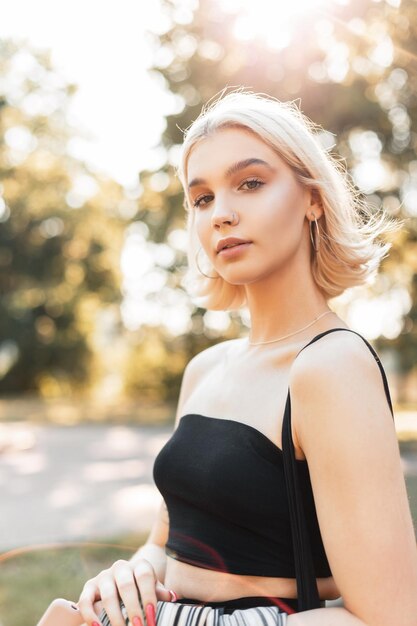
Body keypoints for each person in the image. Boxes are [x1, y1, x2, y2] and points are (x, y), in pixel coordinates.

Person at [76, 89, 417, 626]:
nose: (222, 215)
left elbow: (388, 617)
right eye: (203, 199)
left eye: (250, 183)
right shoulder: (206, 369)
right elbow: (166, 547)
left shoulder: (330, 365)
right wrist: (129, 579)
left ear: (313, 199)